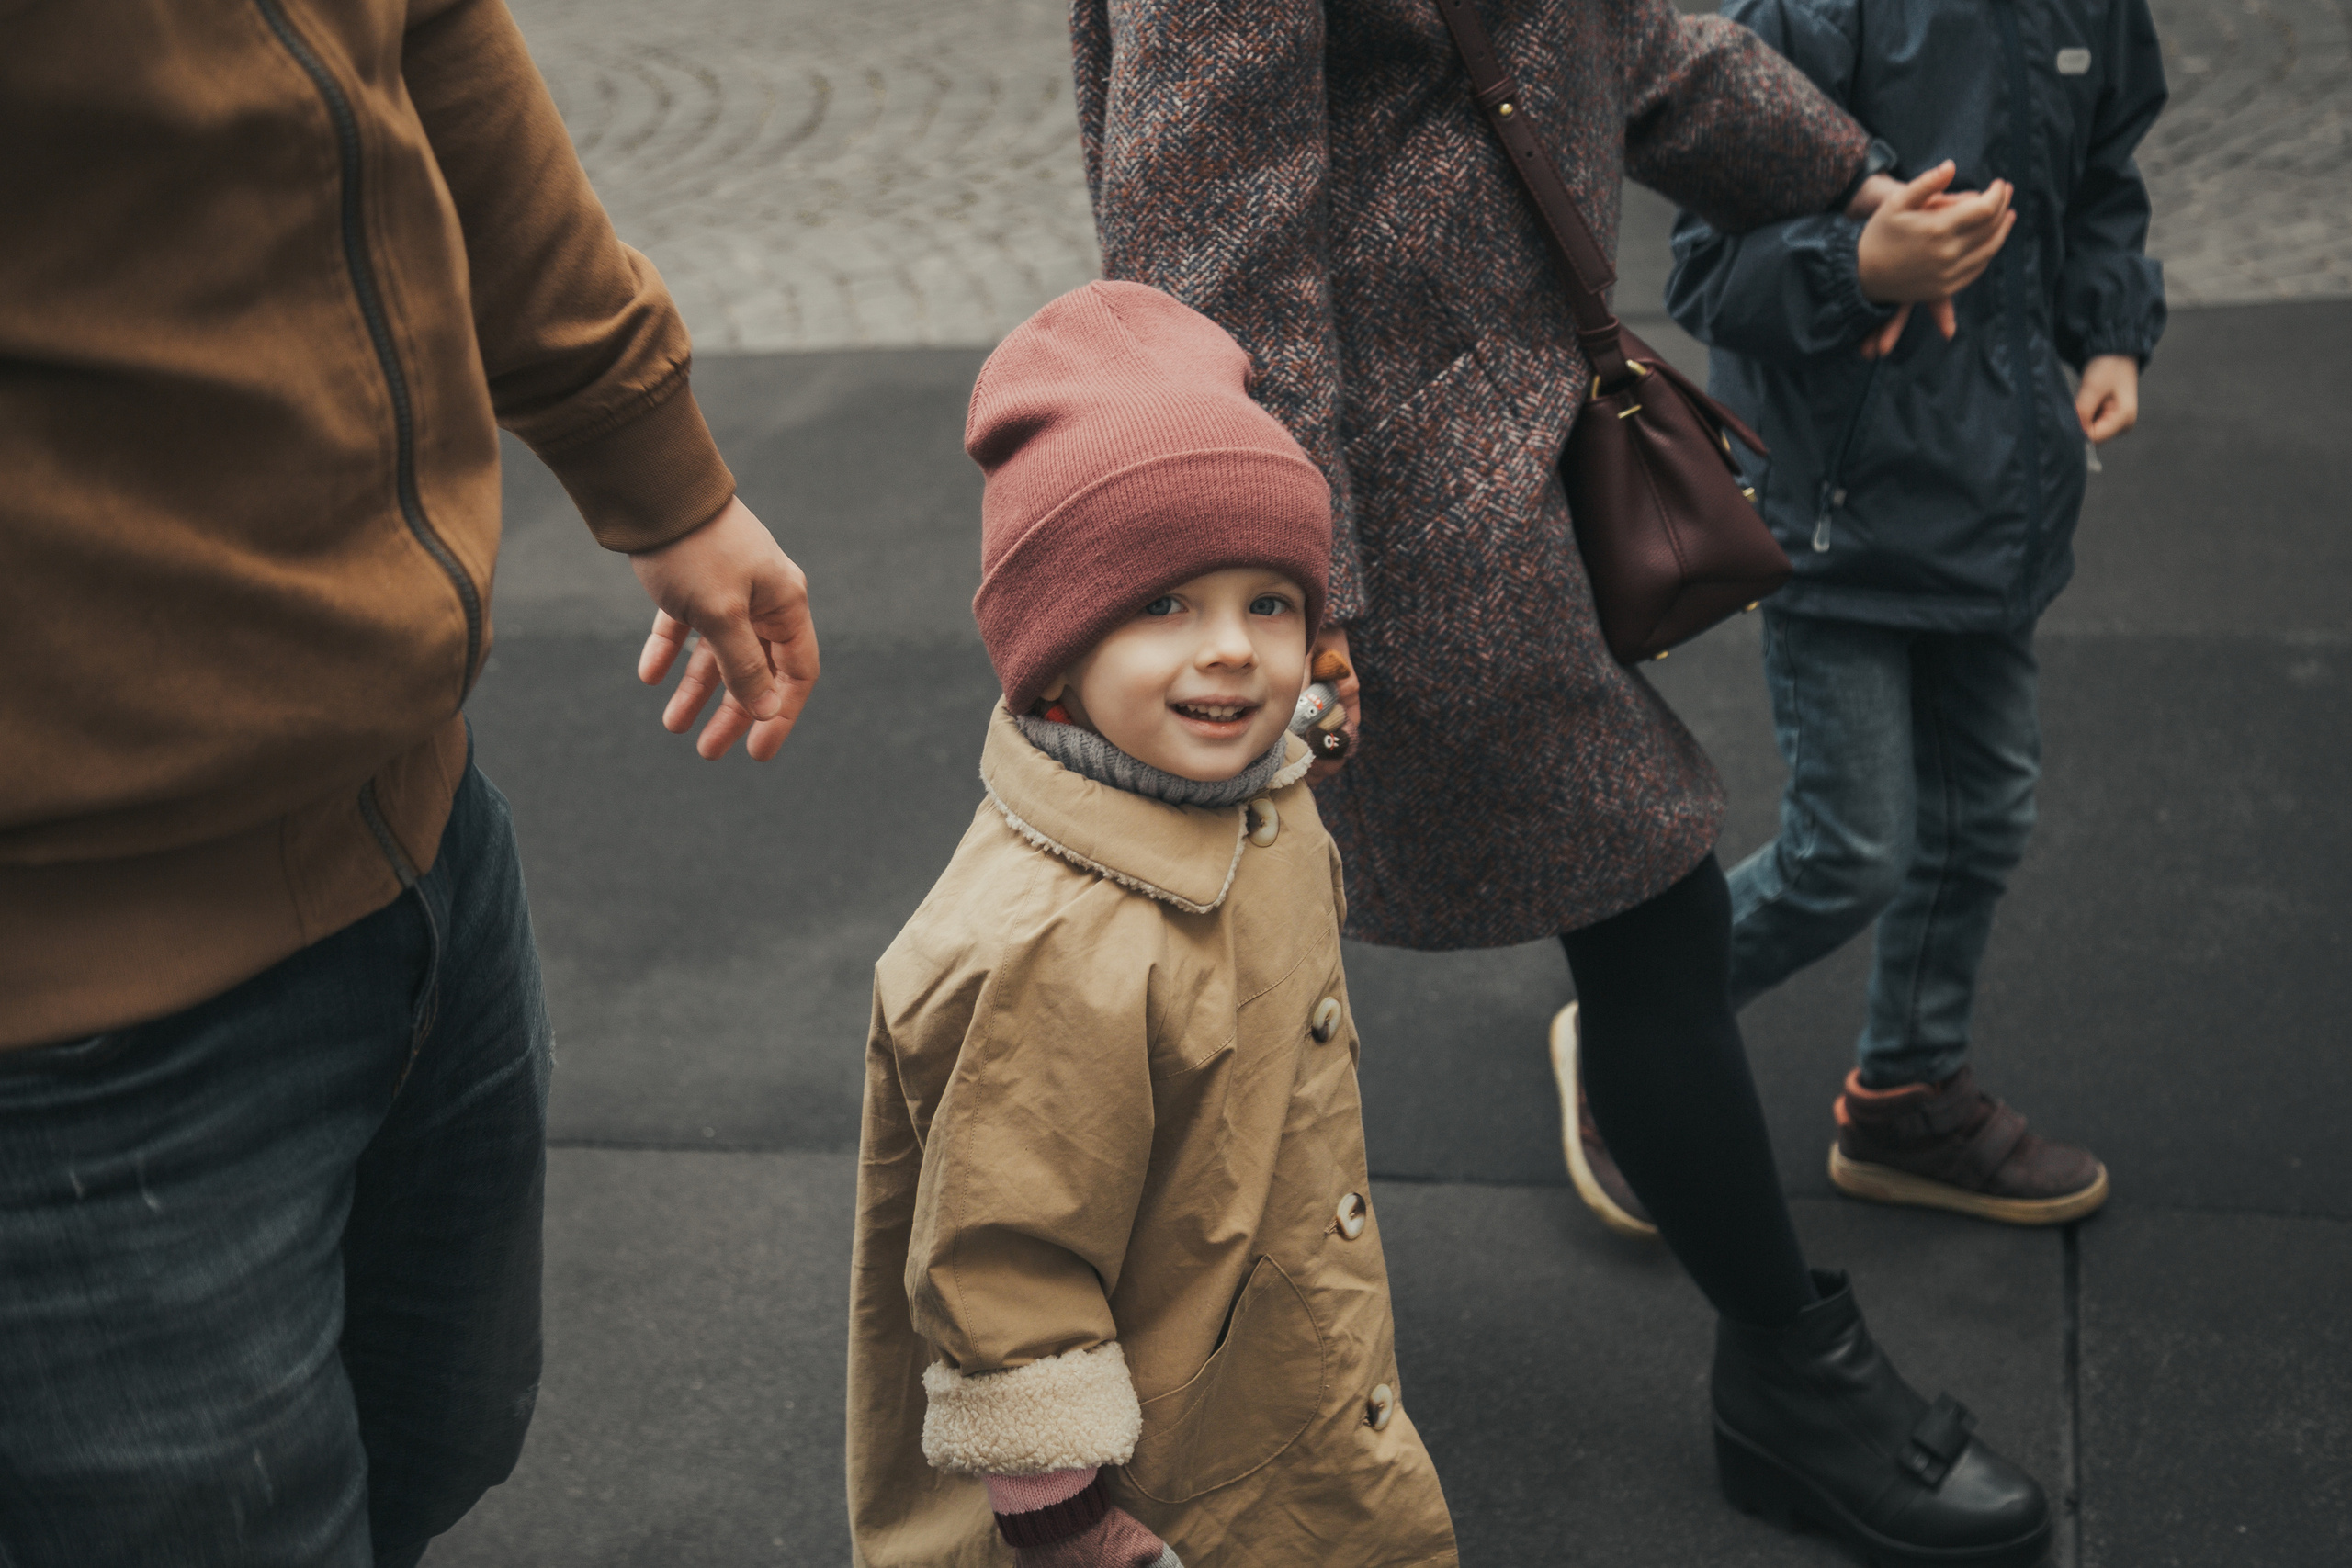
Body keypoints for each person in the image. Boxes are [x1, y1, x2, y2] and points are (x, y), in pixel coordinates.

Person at [1073, 2, 2049, 1563]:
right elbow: (1213, 243)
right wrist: (1283, 588)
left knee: (1348, 915)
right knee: (1589, 897)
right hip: (1381, 512)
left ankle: (1140, 1377)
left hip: (1494, 453)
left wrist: (1845, 168)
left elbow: (1620, 37)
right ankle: (1788, 1376)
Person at [0, 3, 816, 1563]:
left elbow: (423, 32)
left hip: (422, 842)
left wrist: (650, 460)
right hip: (68, 1039)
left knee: (438, 1441)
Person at [846, 281, 1455, 1568]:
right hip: (1163, 1483)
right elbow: (1005, 1262)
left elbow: (1278, 735)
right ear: (1054, 656)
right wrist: (1071, 1525)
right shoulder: (1049, 946)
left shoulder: (1234, 784)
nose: (1231, 652)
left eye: (1270, 604)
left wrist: (1303, 722)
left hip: (1269, 1377)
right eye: (1163, 607)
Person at [1660, 0, 2167, 1226]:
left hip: (1999, 511)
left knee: (1982, 822)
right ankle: (1650, 1026)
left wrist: (2107, 335)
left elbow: (2102, 175)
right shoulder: (1805, 15)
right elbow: (1706, 270)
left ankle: (1908, 1097)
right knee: (1853, 850)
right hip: (1848, 515)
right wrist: (1858, 266)